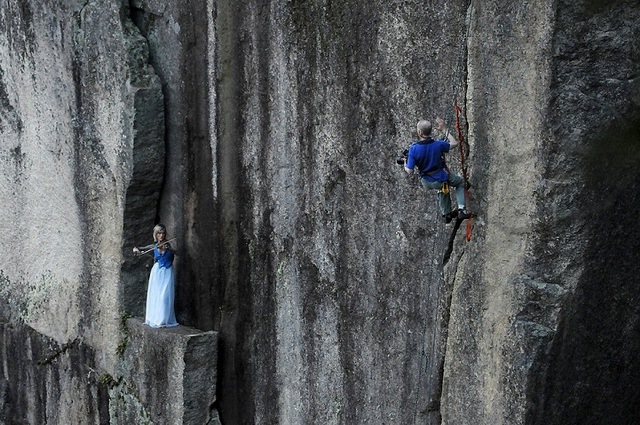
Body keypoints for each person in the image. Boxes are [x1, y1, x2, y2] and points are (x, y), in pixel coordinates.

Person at [404, 117, 470, 223]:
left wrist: (405, 163)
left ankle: (447, 214)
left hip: (427, 181)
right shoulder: (438, 145)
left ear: (419, 132)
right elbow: (454, 143)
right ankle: (462, 209)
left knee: (442, 187)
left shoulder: (413, 149)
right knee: (459, 182)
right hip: (440, 177)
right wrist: (443, 128)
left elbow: (409, 170)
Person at [133, 224, 178, 328]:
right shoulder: (154, 246)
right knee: (155, 295)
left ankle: (163, 319)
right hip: (156, 272)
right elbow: (140, 248)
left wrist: (169, 249)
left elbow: (178, 252)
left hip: (167, 271)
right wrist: (136, 249)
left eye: (163, 233)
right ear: (155, 234)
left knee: (164, 296)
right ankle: (151, 318)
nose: (161, 235)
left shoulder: (170, 243)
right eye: (159, 233)